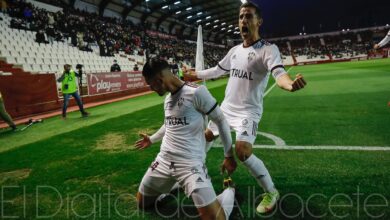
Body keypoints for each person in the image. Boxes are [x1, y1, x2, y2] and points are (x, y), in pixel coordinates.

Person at [185, 2, 307, 214]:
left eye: (248, 16)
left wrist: (290, 85)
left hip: (248, 111)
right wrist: (195, 74)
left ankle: (271, 191)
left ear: (258, 22)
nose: (243, 21)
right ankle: (195, 174)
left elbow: (279, 74)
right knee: (204, 136)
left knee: (242, 151)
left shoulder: (268, 49)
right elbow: (216, 71)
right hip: (227, 108)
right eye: (241, 17)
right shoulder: (234, 51)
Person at [135, 58, 237, 220]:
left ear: (159, 80)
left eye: (150, 84)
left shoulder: (196, 92)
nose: (151, 89)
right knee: (142, 203)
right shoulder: (168, 100)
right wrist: (152, 139)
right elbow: (169, 124)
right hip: (164, 161)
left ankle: (229, 191)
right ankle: (173, 186)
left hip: (190, 164)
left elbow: (221, 120)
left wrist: (229, 155)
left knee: (215, 218)